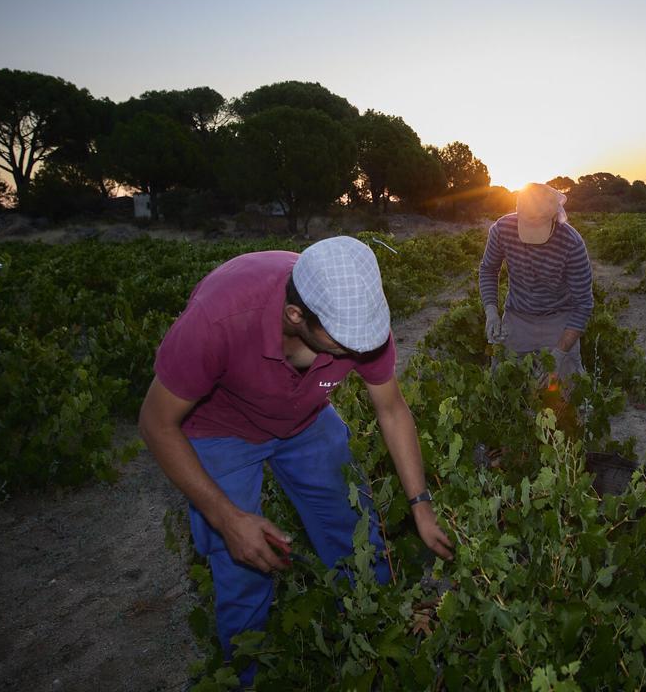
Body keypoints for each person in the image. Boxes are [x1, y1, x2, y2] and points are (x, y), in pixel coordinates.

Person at [138, 236, 452, 680]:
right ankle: (245, 678)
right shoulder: (219, 317)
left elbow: (391, 408)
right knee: (244, 561)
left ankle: (379, 639)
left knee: (355, 530)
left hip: (305, 419)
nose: (363, 352)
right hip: (220, 428)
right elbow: (155, 423)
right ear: (295, 316)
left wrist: (421, 504)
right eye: (347, 343)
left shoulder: (358, 320)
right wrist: (228, 519)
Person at [479, 182, 594, 381]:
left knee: (565, 389)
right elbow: (489, 269)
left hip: (559, 319)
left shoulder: (571, 243)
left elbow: (583, 304)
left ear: (553, 218)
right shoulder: (502, 229)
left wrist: (560, 353)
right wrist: (491, 312)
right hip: (517, 316)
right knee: (503, 381)